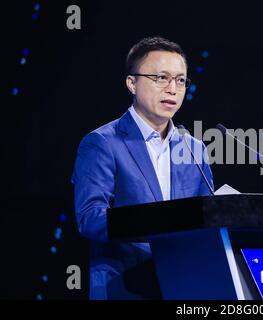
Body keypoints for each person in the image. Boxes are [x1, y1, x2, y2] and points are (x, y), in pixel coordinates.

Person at [71, 36, 214, 300]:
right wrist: (159, 221)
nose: (173, 88)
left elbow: (207, 217)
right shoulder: (102, 143)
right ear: (132, 83)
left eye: (181, 80)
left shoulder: (194, 149)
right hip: (124, 285)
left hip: (184, 284)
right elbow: (90, 218)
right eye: (161, 77)